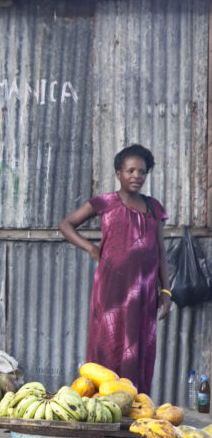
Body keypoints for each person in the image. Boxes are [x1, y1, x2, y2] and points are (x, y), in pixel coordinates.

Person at [59, 144, 170, 394]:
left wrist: (166, 291)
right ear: (118, 173)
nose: (136, 176)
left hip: (144, 294)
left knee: (139, 347)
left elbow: (161, 252)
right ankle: (103, 404)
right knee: (107, 344)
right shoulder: (105, 202)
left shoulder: (154, 207)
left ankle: (133, 405)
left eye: (142, 171)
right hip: (111, 292)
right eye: (130, 170)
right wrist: (91, 249)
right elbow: (66, 225)